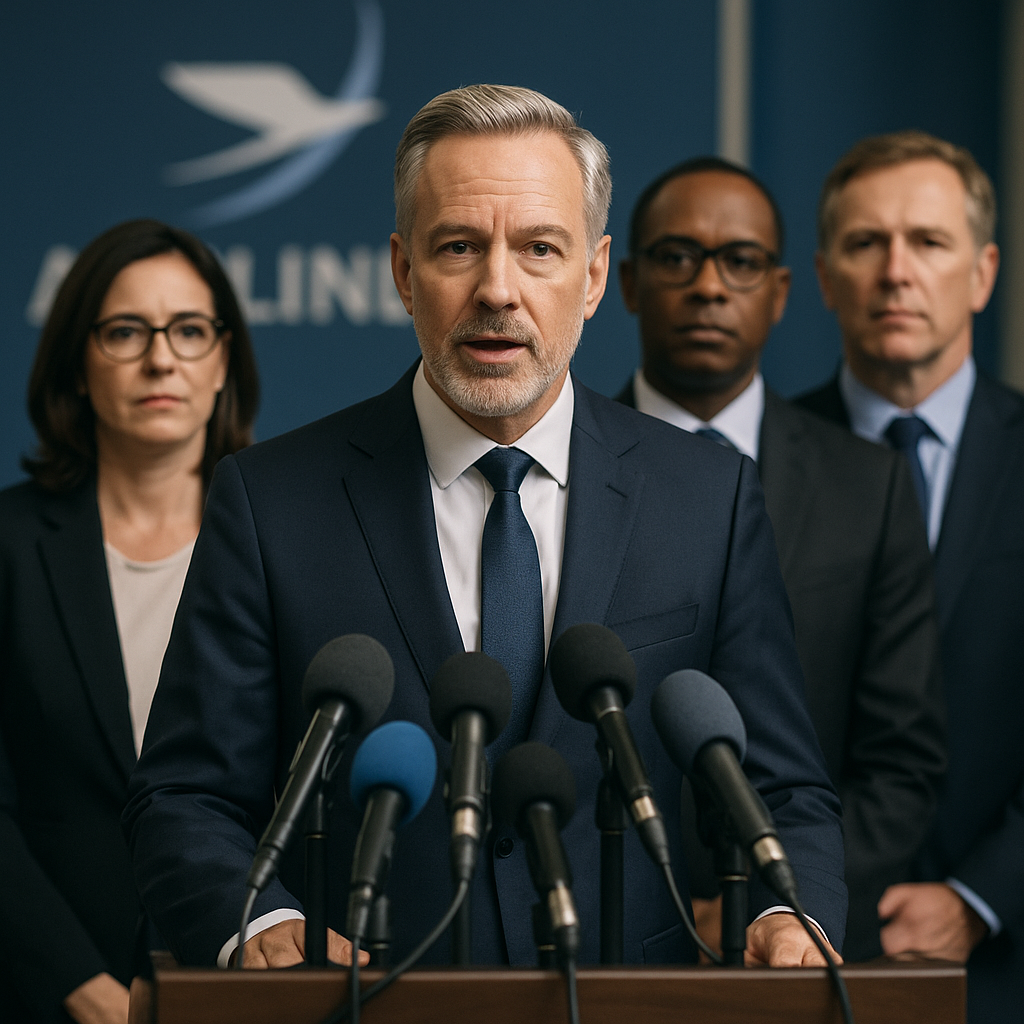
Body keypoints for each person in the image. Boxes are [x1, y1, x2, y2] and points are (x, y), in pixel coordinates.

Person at [124, 85, 847, 973]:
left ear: (592, 277)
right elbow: (185, 797)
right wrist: (260, 921)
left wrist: (786, 908)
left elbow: (783, 791)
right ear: (402, 271)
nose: (497, 289)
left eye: (539, 248)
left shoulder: (709, 496)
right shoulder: (270, 502)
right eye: (459, 246)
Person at [616, 157, 946, 961]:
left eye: (741, 261)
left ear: (783, 291)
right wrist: (664, 913)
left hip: (801, 941)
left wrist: (776, 901)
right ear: (621, 283)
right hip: (610, 940)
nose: (708, 286)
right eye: (676, 257)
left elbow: (898, 758)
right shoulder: (559, 470)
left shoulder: (868, 486)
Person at [0, 219, 260, 1024]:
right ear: (78, 361)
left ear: (223, 362)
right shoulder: (8, 546)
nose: (161, 359)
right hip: (44, 997)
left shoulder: (289, 539)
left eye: (188, 330)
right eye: (125, 332)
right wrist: (81, 988)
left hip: (244, 994)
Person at [797, 130, 1023, 1020]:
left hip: (1005, 964)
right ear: (822, 277)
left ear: (982, 271)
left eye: (928, 242)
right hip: (794, 959)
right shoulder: (746, 469)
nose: (897, 271)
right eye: (866, 243)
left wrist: (983, 897)